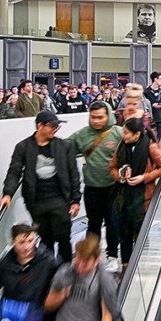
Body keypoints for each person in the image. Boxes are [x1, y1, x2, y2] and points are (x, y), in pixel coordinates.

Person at [0, 110, 81, 263]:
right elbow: (14, 171)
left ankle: (65, 270)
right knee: (45, 239)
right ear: (39, 126)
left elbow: (73, 173)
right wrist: (7, 194)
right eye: (52, 126)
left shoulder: (64, 146)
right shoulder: (23, 147)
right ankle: (48, 269)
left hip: (60, 199)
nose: (55, 129)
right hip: (36, 201)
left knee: (63, 236)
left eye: (57, 127)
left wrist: (75, 200)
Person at [70, 103, 124, 271]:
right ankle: (90, 256)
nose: (96, 121)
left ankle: (112, 255)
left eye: (100, 117)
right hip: (92, 187)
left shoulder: (117, 133)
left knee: (112, 223)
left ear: (108, 116)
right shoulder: (82, 135)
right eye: (93, 117)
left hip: (113, 187)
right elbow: (64, 147)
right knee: (93, 224)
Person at [110, 117, 161, 266]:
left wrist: (144, 177)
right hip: (123, 197)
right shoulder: (121, 146)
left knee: (139, 231)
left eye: (126, 133)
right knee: (124, 232)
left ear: (137, 134)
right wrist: (121, 176)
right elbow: (112, 168)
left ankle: (139, 262)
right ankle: (126, 265)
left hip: (142, 198)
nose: (123, 136)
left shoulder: (150, 147)